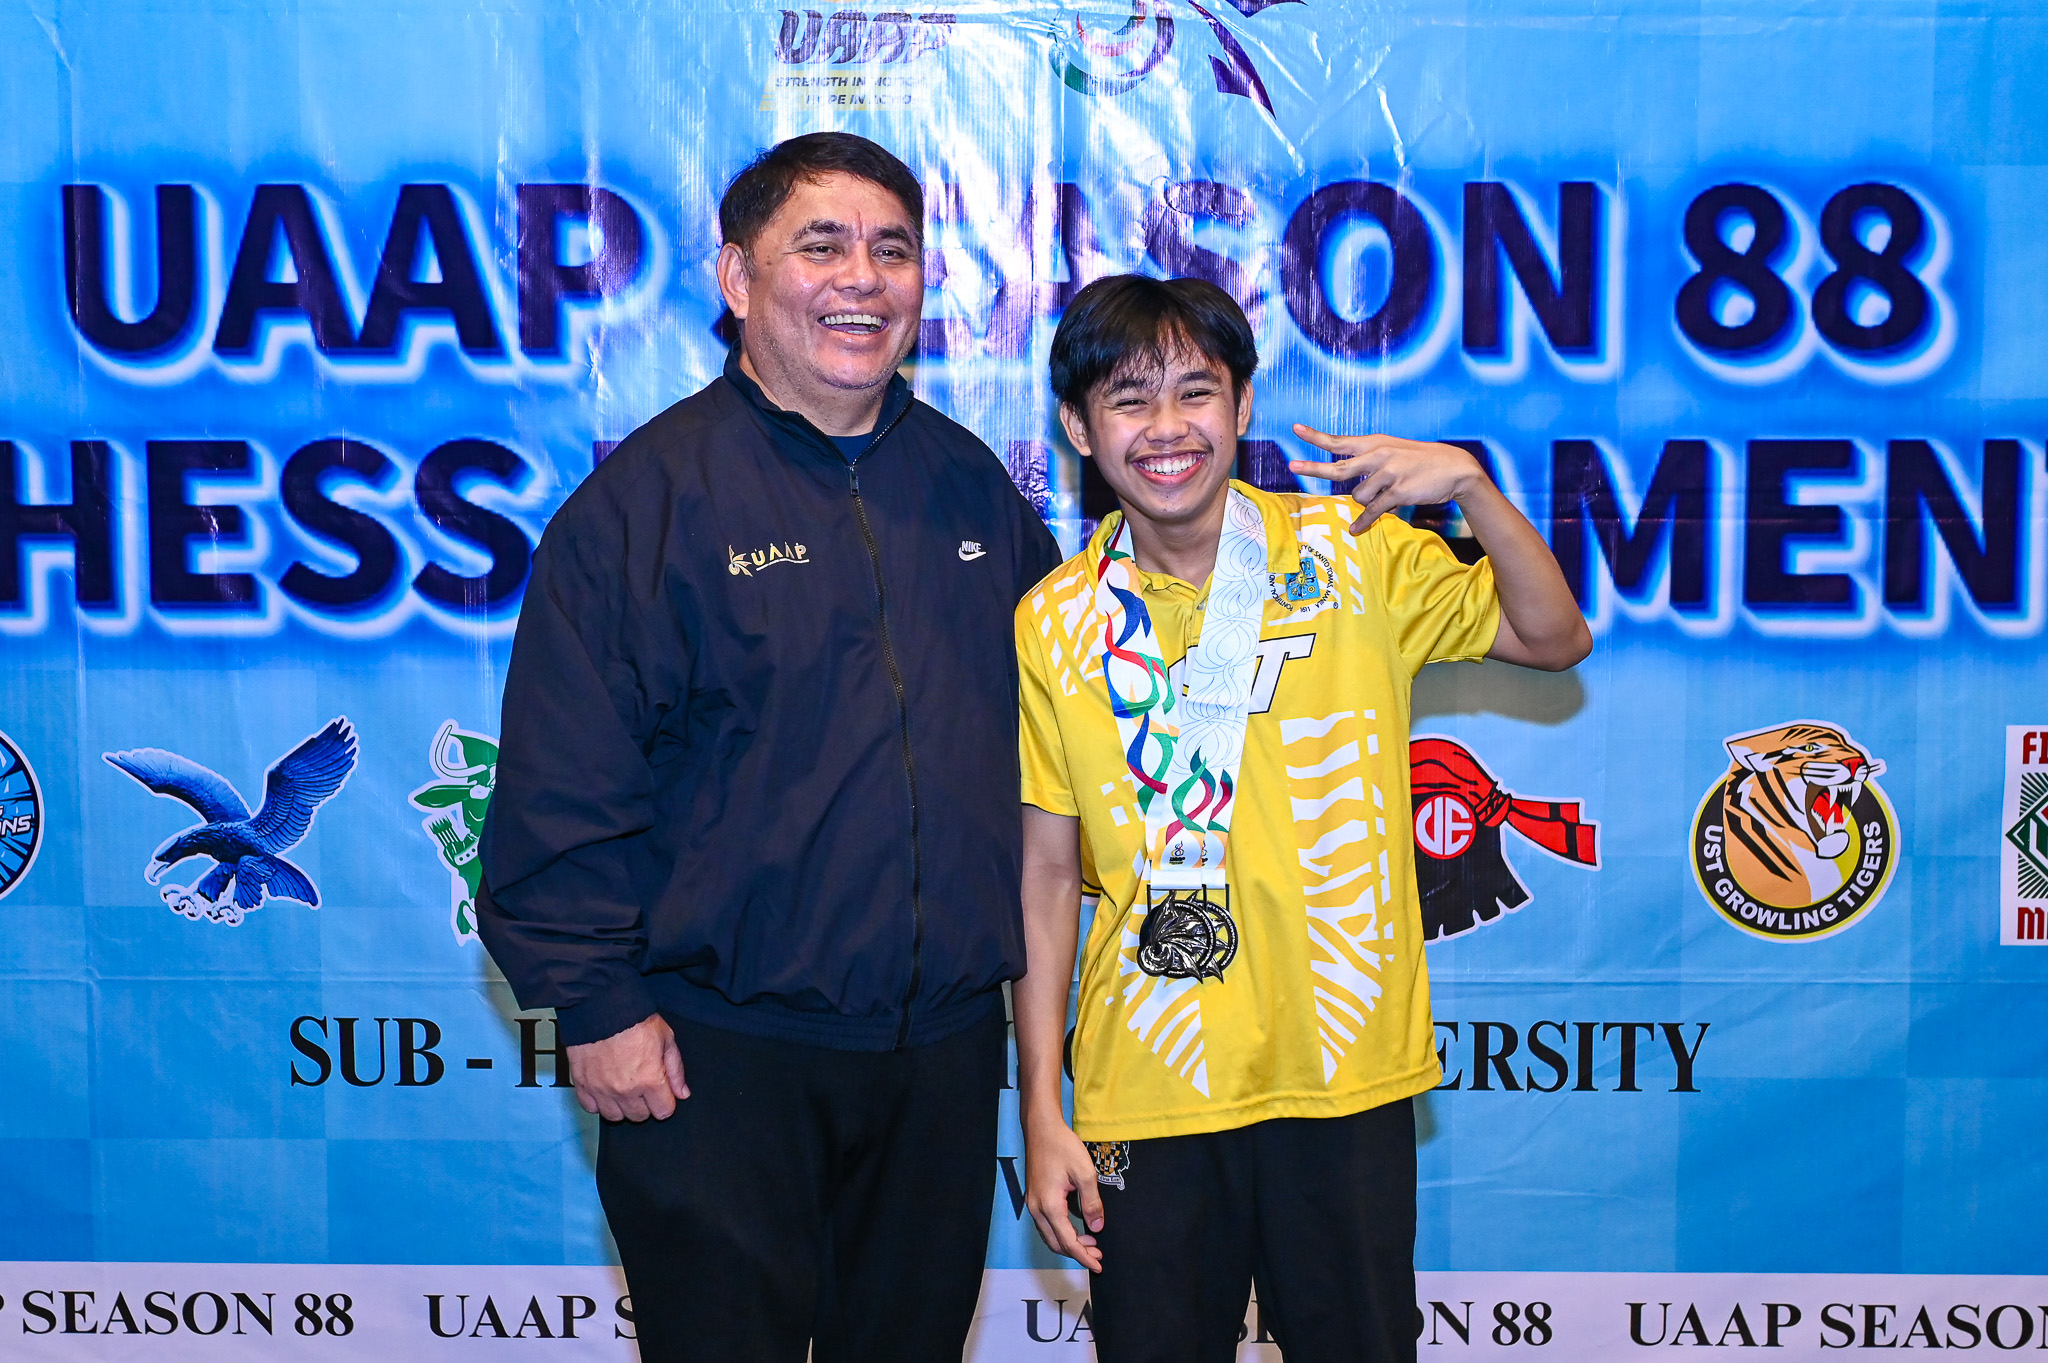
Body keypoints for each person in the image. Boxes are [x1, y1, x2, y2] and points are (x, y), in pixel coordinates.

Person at [477, 132, 1061, 1363]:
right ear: (738, 279)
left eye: (892, 250)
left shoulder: (972, 492)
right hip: (713, 1058)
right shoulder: (646, 505)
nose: (863, 278)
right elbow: (561, 782)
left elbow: (1066, 752)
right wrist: (596, 1005)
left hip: (940, 1056)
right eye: (822, 245)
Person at [1012, 275, 1591, 1363]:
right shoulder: (1053, 622)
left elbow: (1553, 637)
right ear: (1078, 428)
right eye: (1129, 400)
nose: (1167, 427)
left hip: (1341, 1069)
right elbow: (1044, 876)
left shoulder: (1350, 553)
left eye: (1197, 392)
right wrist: (1043, 1107)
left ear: (1242, 405)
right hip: (1147, 1081)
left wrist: (1472, 488)